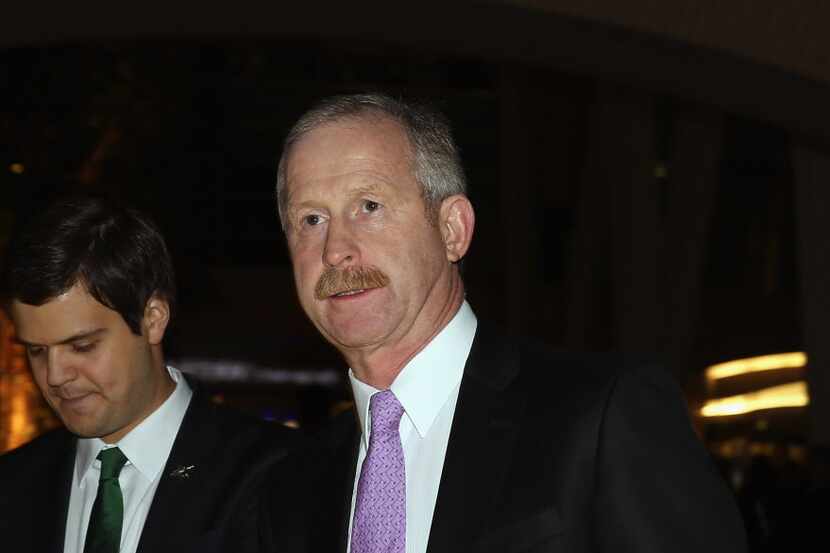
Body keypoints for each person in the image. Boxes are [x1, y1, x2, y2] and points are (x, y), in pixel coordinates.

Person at [260, 92, 747, 553]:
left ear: (452, 230)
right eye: (311, 220)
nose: (335, 249)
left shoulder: (599, 419)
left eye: (369, 206)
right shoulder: (294, 485)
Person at [0, 196, 293, 553]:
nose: (55, 376)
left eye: (82, 346)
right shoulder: (14, 485)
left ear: (153, 318)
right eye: (37, 350)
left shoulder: (274, 474)